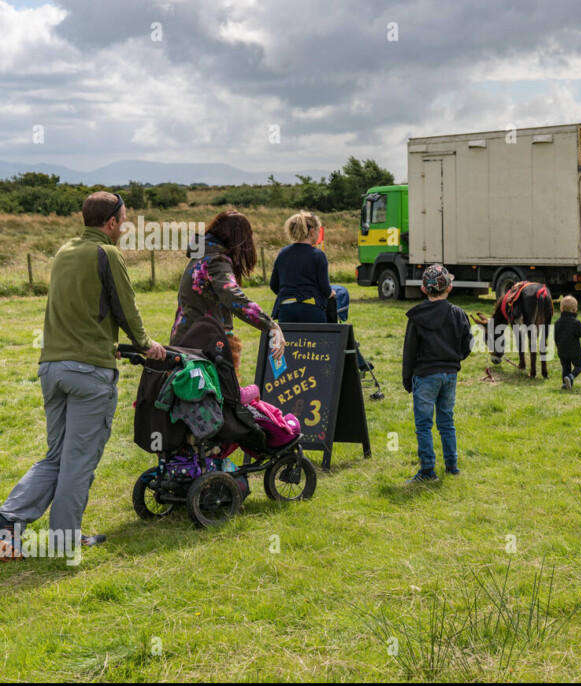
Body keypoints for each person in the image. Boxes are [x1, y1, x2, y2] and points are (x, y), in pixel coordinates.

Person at [0, 192, 166, 560]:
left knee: (56, 456)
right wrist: (145, 343)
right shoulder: (106, 253)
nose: (124, 227)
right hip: (89, 372)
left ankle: (7, 523)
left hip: (52, 368)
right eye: (123, 220)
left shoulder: (63, 252)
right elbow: (126, 307)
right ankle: (63, 539)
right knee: (78, 461)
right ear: (110, 223)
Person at [170, 210, 284, 367]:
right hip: (201, 346)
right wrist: (271, 326)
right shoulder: (216, 261)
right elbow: (233, 297)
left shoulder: (202, 255)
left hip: (184, 339)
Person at [402, 264, 473, 483]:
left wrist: (407, 380)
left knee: (424, 425)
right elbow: (468, 344)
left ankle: (427, 471)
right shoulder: (459, 314)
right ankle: (452, 466)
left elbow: (409, 351)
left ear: (424, 290)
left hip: (425, 376)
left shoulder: (416, 318)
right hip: (449, 375)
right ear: (449, 288)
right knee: (446, 421)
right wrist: (454, 360)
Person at [270, 211, 335, 323]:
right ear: (312, 231)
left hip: (286, 308)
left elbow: (274, 285)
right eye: (318, 231)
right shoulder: (318, 255)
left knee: (289, 340)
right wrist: (331, 293)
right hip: (311, 308)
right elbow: (324, 287)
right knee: (316, 340)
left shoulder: (283, 253)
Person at [554, 295, 581, 390]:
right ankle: (570, 377)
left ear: (561, 308)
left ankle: (565, 384)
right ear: (575, 309)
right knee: (579, 366)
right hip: (574, 350)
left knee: (565, 368)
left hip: (562, 350)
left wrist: (558, 346)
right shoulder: (576, 323)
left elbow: (555, 337)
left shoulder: (557, 322)